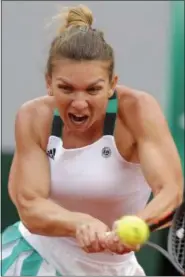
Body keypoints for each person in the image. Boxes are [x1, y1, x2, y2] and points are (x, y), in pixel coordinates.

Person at [1, 4, 183, 276]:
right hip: (37, 259)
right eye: (66, 88)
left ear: (112, 84)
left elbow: (170, 191)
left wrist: (139, 223)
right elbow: (30, 205)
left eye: (93, 89)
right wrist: (79, 222)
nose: (79, 103)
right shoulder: (33, 117)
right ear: (48, 82)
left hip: (117, 269)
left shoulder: (138, 110)